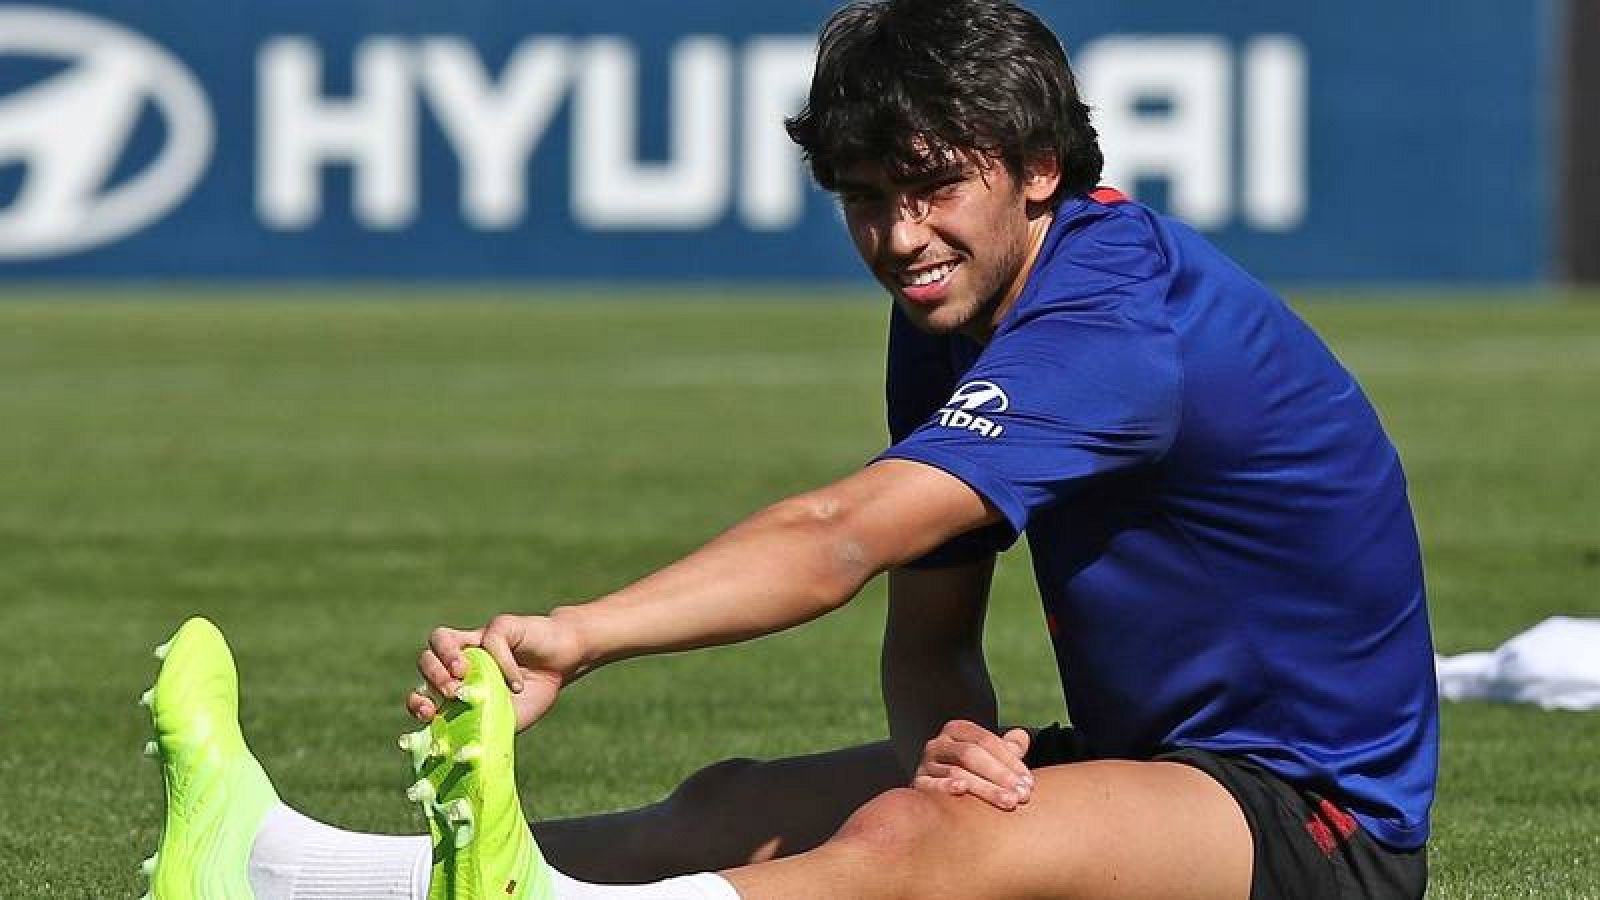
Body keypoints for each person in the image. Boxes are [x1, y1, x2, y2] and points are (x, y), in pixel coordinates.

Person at [136, 1, 1438, 898]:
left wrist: (579, 632)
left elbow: (842, 537)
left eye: (933, 186)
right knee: (734, 799)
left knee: (932, 845)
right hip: (1154, 766)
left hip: (1317, 822)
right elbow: (932, 625)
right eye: (865, 200)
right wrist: (951, 745)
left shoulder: (1117, 320)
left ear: (1038, 167)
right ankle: (273, 870)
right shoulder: (957, 304)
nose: (898, 234)